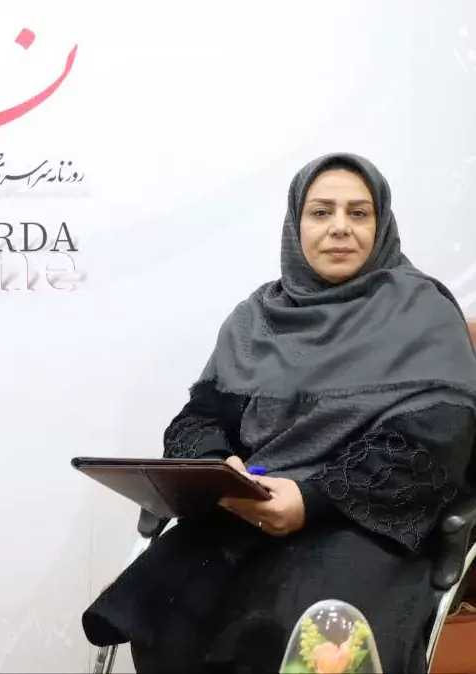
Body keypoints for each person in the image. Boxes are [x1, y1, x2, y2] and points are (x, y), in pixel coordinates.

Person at [82, 153, 476, 673]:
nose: (340, 227)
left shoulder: (424, 313)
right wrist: (221, 470)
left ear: (381, 224)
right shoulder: (256, 319)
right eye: (321, 212)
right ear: (296, 224)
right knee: (175, 623)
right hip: (249, 514)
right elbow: (199, 419)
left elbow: (437, 440)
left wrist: (311, 499)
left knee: (307, 633)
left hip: (359, 524)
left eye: (359, 213)